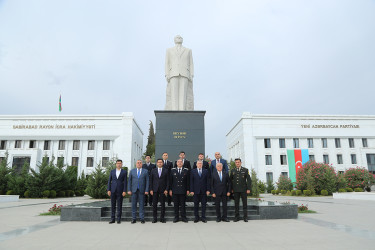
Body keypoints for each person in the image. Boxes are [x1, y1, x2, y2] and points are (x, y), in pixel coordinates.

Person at [165, 35, 194, 111]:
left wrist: (191, 74)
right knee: (173, 93)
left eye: (180, 37)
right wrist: (167, 74)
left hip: (185, 73)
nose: (179, 38)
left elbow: (191, 63)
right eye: (177, 37)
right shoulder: (169, 50)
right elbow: (167, 63)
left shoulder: (188, 50)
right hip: (173, 73)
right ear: (174, 40)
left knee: (183, 93)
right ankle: (174, 110)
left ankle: (183, 110)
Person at [128, 160, 149, 224]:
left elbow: (147, 181)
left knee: (141, 205)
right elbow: (129, 181)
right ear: (136, 164)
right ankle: (133, 218)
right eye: (138, 163)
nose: (139, 164)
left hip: (142, 191)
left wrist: (146, 190)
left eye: (140, 163)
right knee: (133, 205)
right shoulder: (132, 171)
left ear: (142, 164)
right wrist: (129, 190)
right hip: (134, 190)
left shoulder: (145, 171)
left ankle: (142, 218)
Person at [107, 159, 127, 224]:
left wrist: (124, 191)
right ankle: (112, 219)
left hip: (120, 190)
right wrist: (108, 190)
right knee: (113, 205)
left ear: (121, 164)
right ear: (116, 164)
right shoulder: (112, 171)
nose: (119, 164)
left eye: (120, 163)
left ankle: (118, 219)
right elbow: (109, 181)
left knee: (119, 205)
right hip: (113, 190)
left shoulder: (124, 172)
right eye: (118, 163)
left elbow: (125, 182)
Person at [149, 159, 169, 223]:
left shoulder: (166, 171)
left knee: (163, 204)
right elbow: (151, 181)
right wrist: (151, 189)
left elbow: (168, 181)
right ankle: (154, 218)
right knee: (154, 204)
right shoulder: (153, 170)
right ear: (157, 163)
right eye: (158, 162)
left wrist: (166, 189)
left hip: (163, 190)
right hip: (155, 189)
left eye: (161, 162)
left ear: (162, 163)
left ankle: (162, 218)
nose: (160, 163)